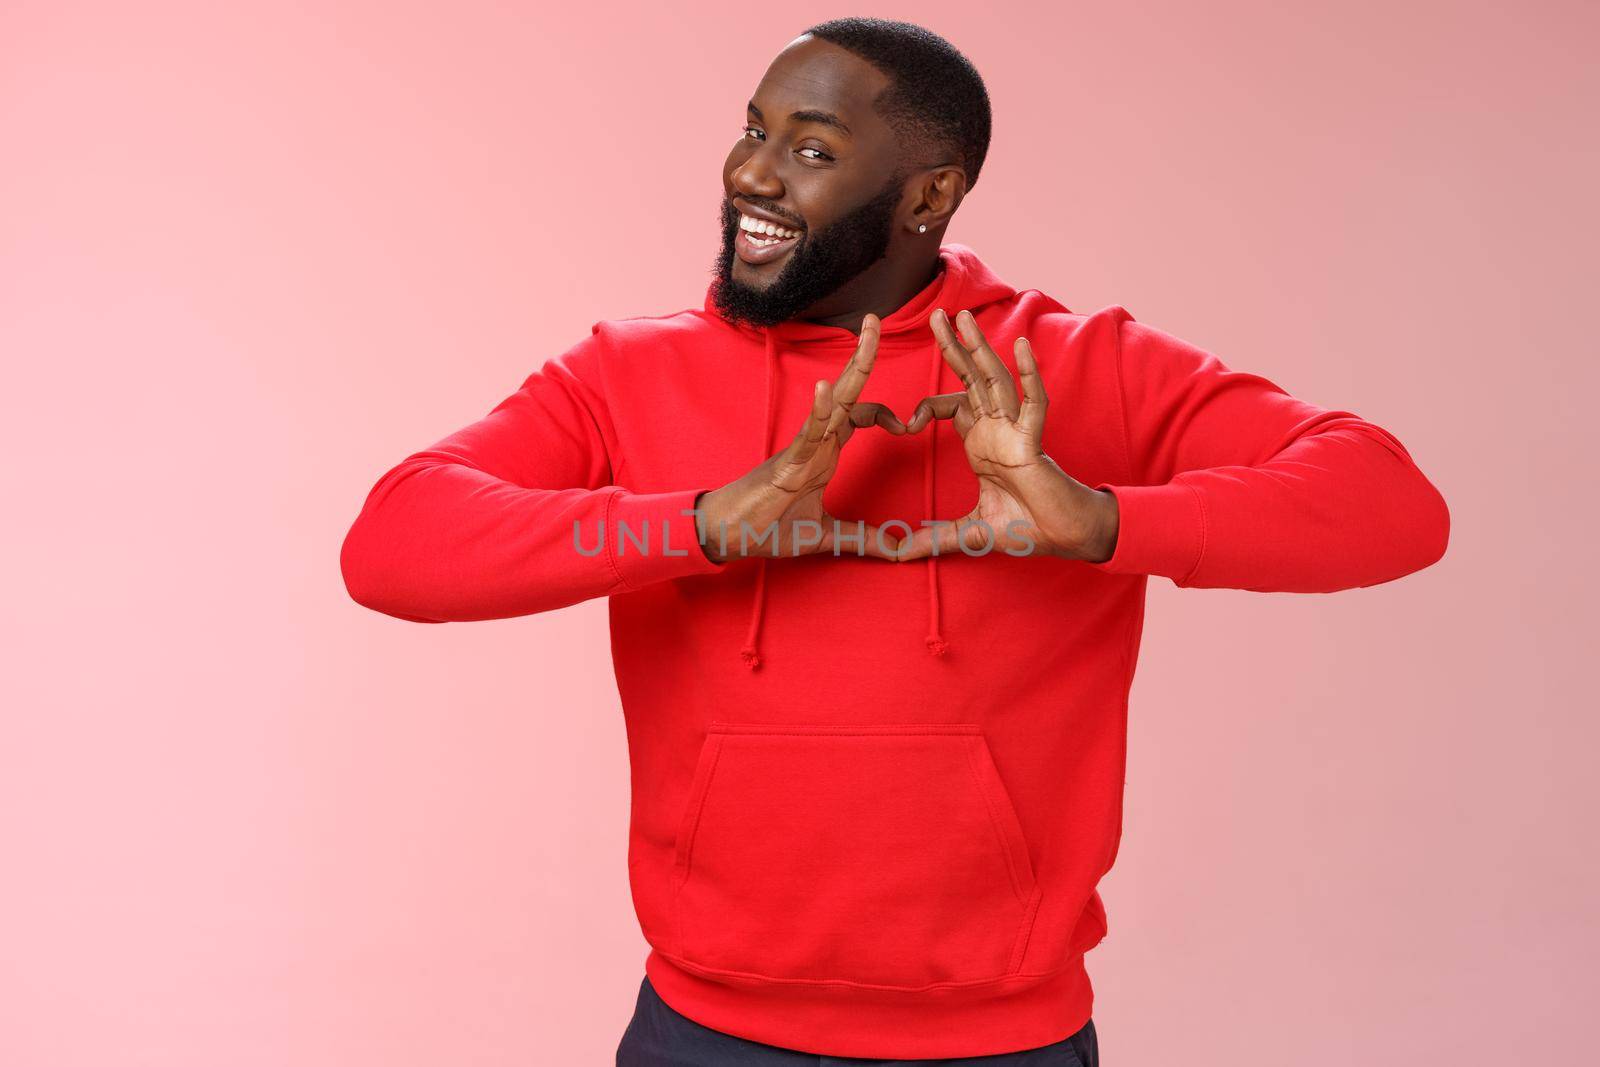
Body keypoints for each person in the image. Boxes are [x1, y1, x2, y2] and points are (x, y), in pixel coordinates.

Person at [339, 17, 1450, 1065]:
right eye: (752, 129)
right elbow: (395, 541)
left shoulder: (1074, 364)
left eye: (808, 148)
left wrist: (1097, 520)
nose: (750, 174)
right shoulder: (625, 372)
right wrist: (700, 523)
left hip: (1005, 1038)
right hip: (704, 1031)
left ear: (929, 193)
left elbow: (1391, 504)